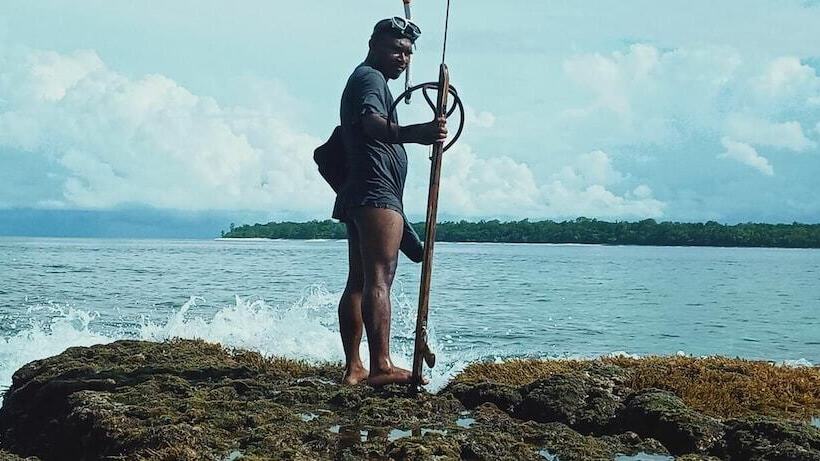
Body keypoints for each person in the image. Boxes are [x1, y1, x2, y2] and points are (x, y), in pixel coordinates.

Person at [333, 17, 447, 386]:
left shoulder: (368, 78)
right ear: (374, 44)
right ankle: (380, 365)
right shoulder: (369, 78)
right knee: (378, 281)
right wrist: (419, 133)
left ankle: (355, 369)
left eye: (409, 53)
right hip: (375, 193)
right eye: (396, 49)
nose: (403, 58)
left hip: (362, 193)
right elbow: (369, 123)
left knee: (360, 280)